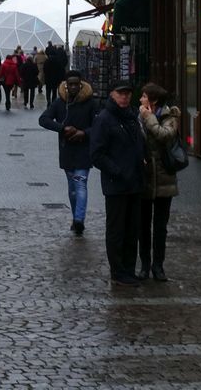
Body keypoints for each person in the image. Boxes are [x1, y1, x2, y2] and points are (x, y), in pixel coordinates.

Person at [90, 79, 148, 285]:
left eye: (127, 93)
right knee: (117, 229)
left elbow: (138, 144)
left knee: (133, 229)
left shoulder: (132, 116)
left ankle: (129, 268)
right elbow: (96, 154)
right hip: (116, 184)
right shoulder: (104, 119)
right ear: (112, 94)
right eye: (120, 93)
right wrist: (116, 170)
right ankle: (118, 270)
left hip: (135, 182)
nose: (124, 97)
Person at [39, 70, 98, 235]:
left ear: (81, 84)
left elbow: (99, 126)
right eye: (70, 84)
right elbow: (43, 119)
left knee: (80, 184)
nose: (73, 87)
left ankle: (79, 219)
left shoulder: (91, 103)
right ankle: (75, 217)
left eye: (76, 84)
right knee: (73, 188)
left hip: (84, 152)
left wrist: (84, 133)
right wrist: (62, 128)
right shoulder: (60, 103)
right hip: (67, 152)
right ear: (66, 85)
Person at [137, 82, 181, 281]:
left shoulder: (169, 116)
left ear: (152, 100)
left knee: (160, 226)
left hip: (164, 177)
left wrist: (149, 118)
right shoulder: (138, 116)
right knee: (143, 225)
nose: (140, 100)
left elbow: (165, 136)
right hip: (145, 177)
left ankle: (158, 266)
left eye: (144, 96)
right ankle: (145, 265)